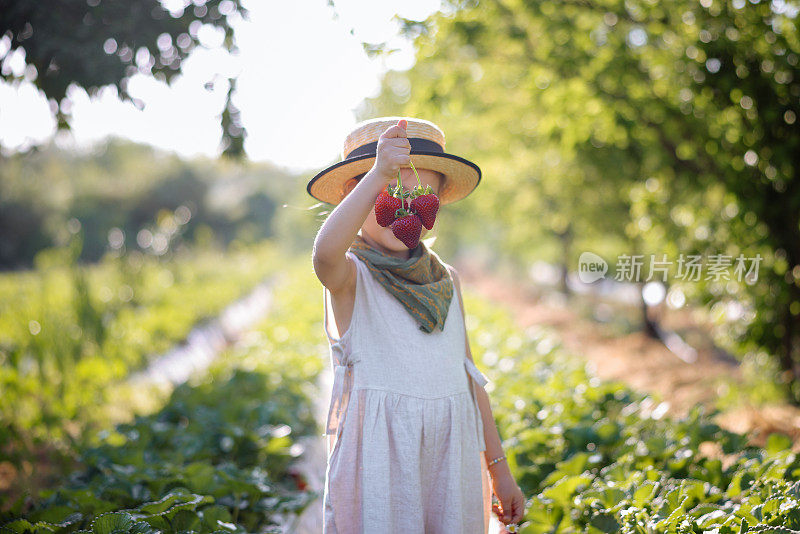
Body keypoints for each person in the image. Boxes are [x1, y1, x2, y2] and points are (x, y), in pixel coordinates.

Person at [308, 116, 525, 533]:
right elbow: (323, 257)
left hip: (451, 455)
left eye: (420, 196)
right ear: (355, 194)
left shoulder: (447, 280)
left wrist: (499, 470)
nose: (405, 209)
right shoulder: (352, 278)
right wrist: (379, 173)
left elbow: (469, 379)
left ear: (438, 201)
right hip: (382, 462)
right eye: (389, 193)